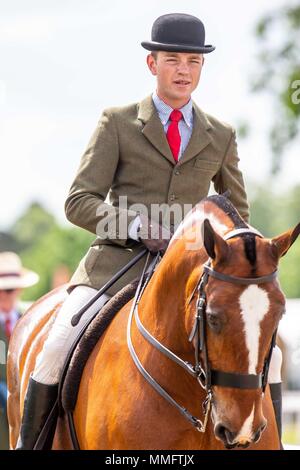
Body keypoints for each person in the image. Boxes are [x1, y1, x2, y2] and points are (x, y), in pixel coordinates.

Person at [16, 13, 283, 449]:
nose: (183, 70)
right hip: (115, 265)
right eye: (173, 60)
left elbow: (238, 217)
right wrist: (137, 227)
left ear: (202, 68)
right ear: (152, 64)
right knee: (55, 347)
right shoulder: (117, 122)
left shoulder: (221, 134)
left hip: (194, 275)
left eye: (193, 62)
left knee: (268, 359)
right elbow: (77, 202)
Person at [0, 252, 39, 449]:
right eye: (3, 290)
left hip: (28, 399)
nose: (6, 294)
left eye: (11, 289)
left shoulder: (34, 316)